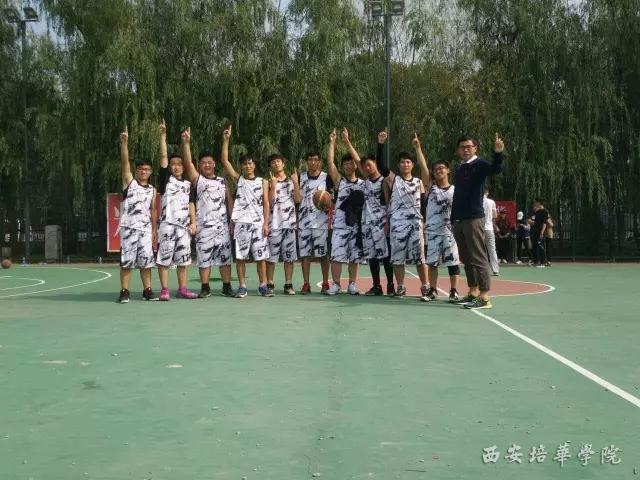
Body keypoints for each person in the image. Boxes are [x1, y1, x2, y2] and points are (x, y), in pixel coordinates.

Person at [451, 134, 505, 310]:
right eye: (462, 147)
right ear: (458, 150)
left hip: (474, 218)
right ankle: (473, 292)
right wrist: (453, 218)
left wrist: (498, 153)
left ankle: (484, 296)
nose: (465, 150)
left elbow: (496, 169)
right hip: (459, 219)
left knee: (478, 257)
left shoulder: (480, 164)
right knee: (466, 258)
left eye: (469, 146)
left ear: (475, 148)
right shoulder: (460, 167)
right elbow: (458, 194)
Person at [180, 128, 235, 298]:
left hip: (222, 227)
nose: (207, 165)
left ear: (214, 164)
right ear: (200, 165)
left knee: (225, 258)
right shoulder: (198, 180)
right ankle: (205, 287)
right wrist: (186, 143)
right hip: (204, 227)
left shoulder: (222, 181)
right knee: (204, 258)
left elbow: (229, 201)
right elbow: (188, 164)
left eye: (210, 162)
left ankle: (227, 286)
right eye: (203, 162)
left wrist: (232, 220)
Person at [219, 126, 272, 297]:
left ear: (254, 165)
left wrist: (265, 223)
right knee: (240, 257)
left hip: (257, 223)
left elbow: (266, 203)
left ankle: (263, 285)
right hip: (241, 222)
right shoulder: (239, 179)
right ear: (241, 167)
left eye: (250, 163)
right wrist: (226, 140)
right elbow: (225, 161)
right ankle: (242, 286)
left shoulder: (263, 181)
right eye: (244, 164)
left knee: (260, 257)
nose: (248, 166)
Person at [343, 129, 394, 296]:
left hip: (381, 223)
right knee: (371, 256)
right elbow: (357, 159)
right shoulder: (366, 181)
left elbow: (389, 203)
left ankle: (391, 285)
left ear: (376, 164)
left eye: (369, 164)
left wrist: (388, 223)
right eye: (365, 166)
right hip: (367, 224)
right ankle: (376, 285)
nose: (366, 167)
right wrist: (347, 142)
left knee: (385, 256)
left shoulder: (384, 180)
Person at [412, 133, 460, 303]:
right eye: (436, 169)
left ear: (448, 170)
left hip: (449, 231)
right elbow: (423, 167)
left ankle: (454, 290)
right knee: (432, 263)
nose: (439, 170)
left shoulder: (455, 190)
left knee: (453, 262)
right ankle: (432, 290)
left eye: (442, 168)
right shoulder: (430, 187)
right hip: (432, 232)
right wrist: (418, 148)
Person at [156, 120, 198, 300]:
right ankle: (165, 290)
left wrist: (193, 222)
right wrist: (163, 136)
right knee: (164, 259)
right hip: (167, 225)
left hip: (184, 228)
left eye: (179, 164)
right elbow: (163, 158)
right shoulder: (166, 180)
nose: (176, 166)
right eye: (173, 164)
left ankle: (182, 289)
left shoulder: (189, 184)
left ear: (184, 167)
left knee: (183, 260)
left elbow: (191, 204)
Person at [117, 126, 158, 303]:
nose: (143, 171)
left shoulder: (153, 189)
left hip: (145, 230)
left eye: (147, 169)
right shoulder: (130, 182)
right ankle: (124, 291)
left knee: (146, 262)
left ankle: (147, 290)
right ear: (136, 171)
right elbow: (125, 163)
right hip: (129, 229)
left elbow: (153, 210)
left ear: (150, 172)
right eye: (141, 169)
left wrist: (154, 230)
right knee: (127, 262)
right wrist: (124, 143)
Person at [383, 149, 429, 298]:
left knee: (420, 258)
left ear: (413, 165)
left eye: (408, 162)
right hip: (397, 224)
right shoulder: (393, 180)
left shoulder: (419, 181)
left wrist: (418, 149)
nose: (405, 164)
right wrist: (381, 144)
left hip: (415, 224)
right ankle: (401, 287)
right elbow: (381, 165)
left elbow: (423, 204)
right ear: (398, 165)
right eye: (402, 162)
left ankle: (425, 286)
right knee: (398, 258)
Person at [326, 128, 366, 295]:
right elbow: (330, 163)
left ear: (356, 165)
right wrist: (332, 142)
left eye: (352, 163)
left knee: (354, 257)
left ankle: (352, 284)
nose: (349, 165)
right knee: (336, 256)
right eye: (346, 163)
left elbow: (361, 161)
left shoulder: (363, 183)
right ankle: (336, 284)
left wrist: (347, 142)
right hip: (340, 225)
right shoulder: (339, 181)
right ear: (342, 166)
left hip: (356, 225)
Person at [297, 151, 333, 294]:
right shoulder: (300, 177)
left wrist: (327, 205)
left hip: (321, 222)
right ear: (307, 161)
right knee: (305, 255)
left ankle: (325, 283)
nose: (313, 162)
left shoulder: (326, 177)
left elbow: (332, 199)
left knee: (323, 255)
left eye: (316, 160)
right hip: (304, 221)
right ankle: (306, 283)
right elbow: (296, 198)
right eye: (310, 159)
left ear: (319, 162)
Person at [266, 154, 301, 295]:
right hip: (274, 224)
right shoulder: (268, 182)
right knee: (271, 258)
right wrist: (273, 187)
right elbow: (268, 203)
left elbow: (298, 200)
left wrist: (296, 183)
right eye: (273, 162)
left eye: (278, 161)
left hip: (289, 225)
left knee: (289, 258)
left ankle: (288, 284)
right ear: (271, 166)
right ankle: (270, 283)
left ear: (283, 164)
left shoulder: (292, 181)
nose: (276, 164)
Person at [483, 188, 500, 275]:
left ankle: (484, 269)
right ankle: (495, 270)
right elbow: (495, 215)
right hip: (489, 228)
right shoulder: (491, 202)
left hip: (479, 228)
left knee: (481, 249)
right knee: (492, 249)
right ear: (487, 193)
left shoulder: (477, 201)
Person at [531, 200, 549, 267]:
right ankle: (536, 261)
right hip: (535, 232)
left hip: (541, 232)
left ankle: (543, 262)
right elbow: (536, 222)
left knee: (540, 246)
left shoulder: (545, 212)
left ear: (539, 205)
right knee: (534, 246)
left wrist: (542, 233)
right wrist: (531, 222)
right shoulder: (537, 212)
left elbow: (544, 223)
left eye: (535, 205)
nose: (534, 207)